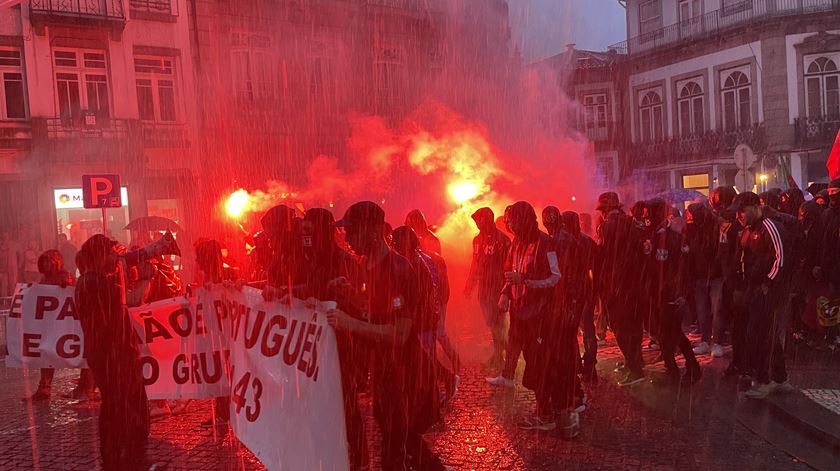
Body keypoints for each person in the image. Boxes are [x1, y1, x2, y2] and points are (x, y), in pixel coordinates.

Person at [329, 201, 449, 471]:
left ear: (371, 232)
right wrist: (352, 296)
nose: (346, 238)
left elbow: (399, 333)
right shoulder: (366, 266)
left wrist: (349, 324)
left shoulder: (398, 269)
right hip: (385, 375)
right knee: (402, 442)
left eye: (351, 231)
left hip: (406, 376)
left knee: (396, 447)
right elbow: (374, 311)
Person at [75, 235, 150, 469]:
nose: (115, 258)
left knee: (119, 407)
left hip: (110, 355)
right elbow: (128, 304)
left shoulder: (90, 281)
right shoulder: (95, 282)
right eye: (111, 254)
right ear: (100, 256)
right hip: (114, 355)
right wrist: (139, 279)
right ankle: (123, 459)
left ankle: (121, 458)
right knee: (123, 408)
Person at [494, 201, 562, 431]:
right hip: (520, 313)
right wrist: (505, 292)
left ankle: (547, 413)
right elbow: (509, 273)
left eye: (512, 220)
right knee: (530, 361)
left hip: (540, 314)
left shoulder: (546, 243)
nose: (509, 225)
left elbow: (556, 278)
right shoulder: (516, 243)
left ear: (524, 220)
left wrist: (526, 282)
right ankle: (547, 407)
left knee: (539, 364)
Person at [731, 193, 794, 399]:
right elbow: (742, 260)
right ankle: (779, 377)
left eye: (741, 211)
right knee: (763, 335)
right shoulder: (747, 231)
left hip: (771, 292)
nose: (738, 216)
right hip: (754, 291)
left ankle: (767, 379)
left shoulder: (770, 227)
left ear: (753, 208)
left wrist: (767, 283)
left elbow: (781, 259)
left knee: (763, 335)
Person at [24, 250, 96, 402]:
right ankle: (44, 388)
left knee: (83, 355)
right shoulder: (45, 278)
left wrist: (66, 285)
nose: (44, 265)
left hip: (67, 325)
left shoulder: (65, 276)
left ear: (54, 261)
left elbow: (71, 293)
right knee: (47, 354)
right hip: (52, 325)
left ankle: (86, 388)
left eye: (47, 261)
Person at [643, 199, 701, 385]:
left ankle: (679, 370)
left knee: (670, 333)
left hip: (671, 296)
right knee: (666, 333)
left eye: (649, 215)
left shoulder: (675, 238)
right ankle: (684, 369)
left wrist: (681, 293)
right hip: (658, 294)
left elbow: (684, 269)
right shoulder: (652, 237)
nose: (646, 219)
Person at [596, 192, 647, 387]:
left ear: (605, 210)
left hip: (616, 285)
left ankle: (635, 369)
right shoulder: (633, 223)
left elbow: (602, 256)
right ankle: (635, 362)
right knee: (634, 326)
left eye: (602, 210)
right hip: (634, 284)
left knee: (620, 327)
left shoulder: (606, 227)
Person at [465, 207, 511, 370]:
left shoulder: (503, 240)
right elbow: (475, 263)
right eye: (476, 220)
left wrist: (506, 290)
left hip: (497, 288)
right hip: (484, 289)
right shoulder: (477, 240)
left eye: (480, 220)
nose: (477, 223)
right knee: (492, 324)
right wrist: (470, 283)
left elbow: (509, 266)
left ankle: (506, 356)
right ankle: (500, 354)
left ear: (488, 220)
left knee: (498, 324)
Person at [562, 210, 600, 383]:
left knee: (573, 329)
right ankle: (588, 365)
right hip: (583, 292)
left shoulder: (566, 243)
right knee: (586, 328)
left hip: (576, 292)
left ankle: (580, 363)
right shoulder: (587, 242)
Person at [684, 202, 726, 358]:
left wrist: (717, 268)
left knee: (717, 310)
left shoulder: (718, 225)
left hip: (716, 275)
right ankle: (705, 341)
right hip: (700, 275)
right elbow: (688, 248)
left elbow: (722, 250)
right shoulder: (692, 227)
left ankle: (717, 342)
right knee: (702, 310)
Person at [813, 179, 840, 346]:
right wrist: (819, 264)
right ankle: (831, 335)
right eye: (831, 195)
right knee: (831, 300)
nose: (833, 198)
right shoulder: (826, 215)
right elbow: (820, 242)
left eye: (836, 195)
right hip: (829, 268)